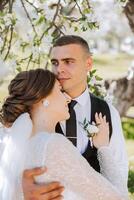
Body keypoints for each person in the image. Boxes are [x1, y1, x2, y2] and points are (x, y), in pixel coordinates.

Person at [22, 35, 128, 200]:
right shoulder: (34, 109)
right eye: (55, 62)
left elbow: (119, 171)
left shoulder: (107, 112)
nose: (59, 69)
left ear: (88, 64)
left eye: (68, 61)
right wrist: (22, 188)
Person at [0, 69, 126, 200]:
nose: (68, 98)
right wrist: (103, 149)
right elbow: (118, 197)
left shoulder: (11, 143)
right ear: (43, 99)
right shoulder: (53, 145)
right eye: (60, 90)